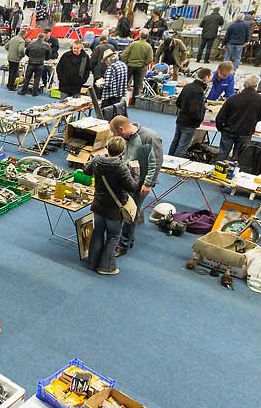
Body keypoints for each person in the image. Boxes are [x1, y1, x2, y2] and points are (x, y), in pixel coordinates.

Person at [82, 136, 140, 275]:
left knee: (97, 234)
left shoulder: (97, 160)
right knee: (113, 237)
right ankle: (105, 267)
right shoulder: (121, 167)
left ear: (107, 147)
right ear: (122, 151)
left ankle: (91, 263)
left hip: (98, 205)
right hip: (114, 209)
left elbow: (86, 171)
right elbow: (132, 187)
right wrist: (136, 172)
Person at [108, 116, 162, 256]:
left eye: (114, 132)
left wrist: (148, 183)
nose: (114, 136)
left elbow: (155, 163)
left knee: (130, 213)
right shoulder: (125, 138)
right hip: (127, 179)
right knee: (125, 209)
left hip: (141, 183)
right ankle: (127, 239)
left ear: (121, 129)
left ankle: (124, 245)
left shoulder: (149, 138)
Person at [215, 74, 261, 161]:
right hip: (246, 132)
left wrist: (221, 129)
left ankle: (218, 171)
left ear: (244, 85)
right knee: (238, 157)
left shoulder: (233, 98)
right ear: (256, 85)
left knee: (223, 154)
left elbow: (220, 117)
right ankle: (233, 171)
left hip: (229, 131)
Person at [169, 68, 211, 157]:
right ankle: (175, 162)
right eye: (210, 76)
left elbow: (178, 102)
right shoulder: (199, 91)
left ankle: (169, 159)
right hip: (189, 123)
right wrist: (201, 115)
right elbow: (194, 110)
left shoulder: (188, 86)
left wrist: (184, 109)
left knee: (175, 141)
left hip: (181, 119)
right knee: (183, 145)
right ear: (206, 77)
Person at [121, 29, 153, 102]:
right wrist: (143, 64)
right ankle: (134, 102)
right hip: (140, 68)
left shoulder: (133, 44)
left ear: (140, 36)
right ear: (147, 37)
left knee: (124, 83)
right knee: (137, 85)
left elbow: (125, 55)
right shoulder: (148, 46)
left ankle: (120, 99)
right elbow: (150, 59)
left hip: (130, 66)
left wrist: (126, 62)